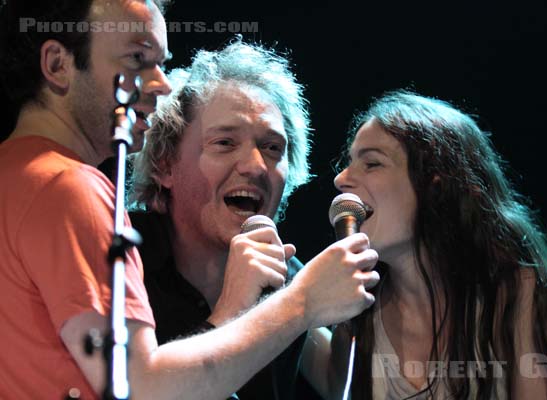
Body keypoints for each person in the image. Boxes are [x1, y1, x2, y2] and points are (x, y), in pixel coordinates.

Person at [0, 1, 380, 399]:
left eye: (272, 148)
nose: (161, 84)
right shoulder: (69, 187)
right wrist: (301, 303)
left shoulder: (18, 177)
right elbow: (142, 389)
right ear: (58, 64)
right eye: (136, 57)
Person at [302, 90, 547, 399]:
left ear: (434, 186)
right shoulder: (361, 309)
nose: (341, 179)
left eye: (372, 163)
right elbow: (333, 378)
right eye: (349, 163)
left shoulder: (517, 295)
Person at [126, 41, 318, 399]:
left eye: (273, 148)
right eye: (225, 143)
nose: (256, 166)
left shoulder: (291, 278)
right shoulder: (118, 256)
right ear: (165, 163)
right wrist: (232, 310)